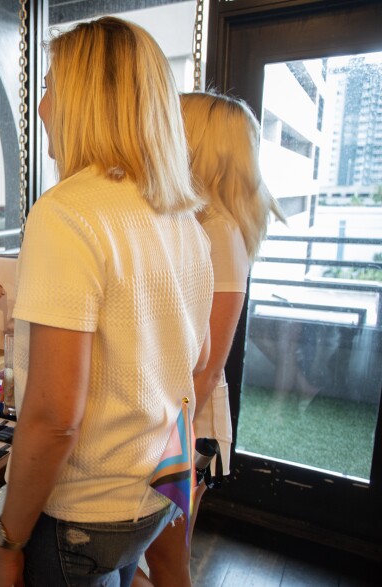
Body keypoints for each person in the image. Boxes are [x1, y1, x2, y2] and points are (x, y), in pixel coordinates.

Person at [0, 17, 213, 587]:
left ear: (85, 100)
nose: (40, 107)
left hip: (81, 507)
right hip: (154, 487)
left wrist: (8, 543)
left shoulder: (67, 212)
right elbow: (193, 358)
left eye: (49, 88)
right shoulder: (183, 218)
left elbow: (54, 417)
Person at [133, 92, 285, 587]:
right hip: (176, 419)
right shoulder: (197, 225)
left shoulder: (218, 233)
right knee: (154, 558)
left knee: (166, 562)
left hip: (185, 426)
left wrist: (158, 436)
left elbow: (209, 363)